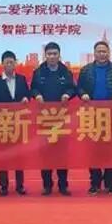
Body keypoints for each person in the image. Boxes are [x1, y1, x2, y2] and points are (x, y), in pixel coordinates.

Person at [77, 40, 112, 195]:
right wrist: (83, 94)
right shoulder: (86, 70)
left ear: (108, 53)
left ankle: (110, 183)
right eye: (99, 51)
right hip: (92, 115)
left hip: (111, 114)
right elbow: (79, 88)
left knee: (111, 150)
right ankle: (95, 183)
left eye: (104, 51)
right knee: (93, 150)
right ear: (94, 53)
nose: (101, 54)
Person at [30, 41, 76, 196]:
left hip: (62, 117)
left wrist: (67, 94)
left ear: (59, 55)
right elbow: (33, 88)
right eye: (49, 54)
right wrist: (37, 95)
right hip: (44, 118)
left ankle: (63, 185)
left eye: (55, 54)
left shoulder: (65, 71)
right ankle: (47, 185)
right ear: (45, 55)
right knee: (45, 152)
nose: (52, 56)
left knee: (62, 152)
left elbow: (72, 88)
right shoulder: (39, 72)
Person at [0, 50, 30, 196]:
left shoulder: (21, 79)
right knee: (3, 156)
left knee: (19, 156)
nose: (9, 65)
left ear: (15, 63)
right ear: (2, 64)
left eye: (12, 62)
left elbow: (27, 95)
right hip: (2, 123)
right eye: (6, 62)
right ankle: (4, 185)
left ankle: (20, 185)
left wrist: (26, 98)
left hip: (19, 122)